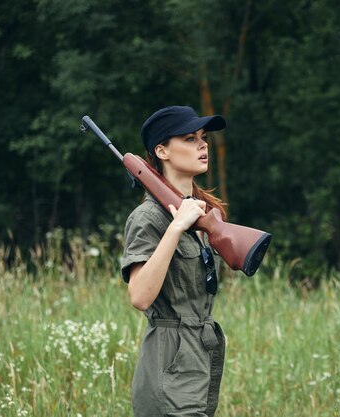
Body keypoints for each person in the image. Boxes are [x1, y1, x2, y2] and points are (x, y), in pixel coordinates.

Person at [120, 105, 227, 417]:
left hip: (200, 360)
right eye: (190, 139)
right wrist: (176, 227)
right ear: (162, 150)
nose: (203, 145)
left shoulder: (204, 215)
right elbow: (139, 296)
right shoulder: (148, 218)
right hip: (169, 364)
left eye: (203, 138)